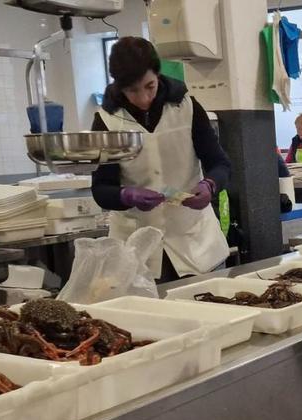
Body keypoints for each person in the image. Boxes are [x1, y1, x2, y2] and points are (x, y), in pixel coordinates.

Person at [90, 36, 232, 282]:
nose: (144, 98)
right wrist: (126, 195)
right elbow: (101, 189)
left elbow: (220, 163)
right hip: (137, 248)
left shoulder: (186, 107)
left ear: (158, 75)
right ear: (118, 86)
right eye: (132, 91)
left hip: (196, 243)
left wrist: (210, 186)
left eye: (149, 86)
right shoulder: (106, 121)